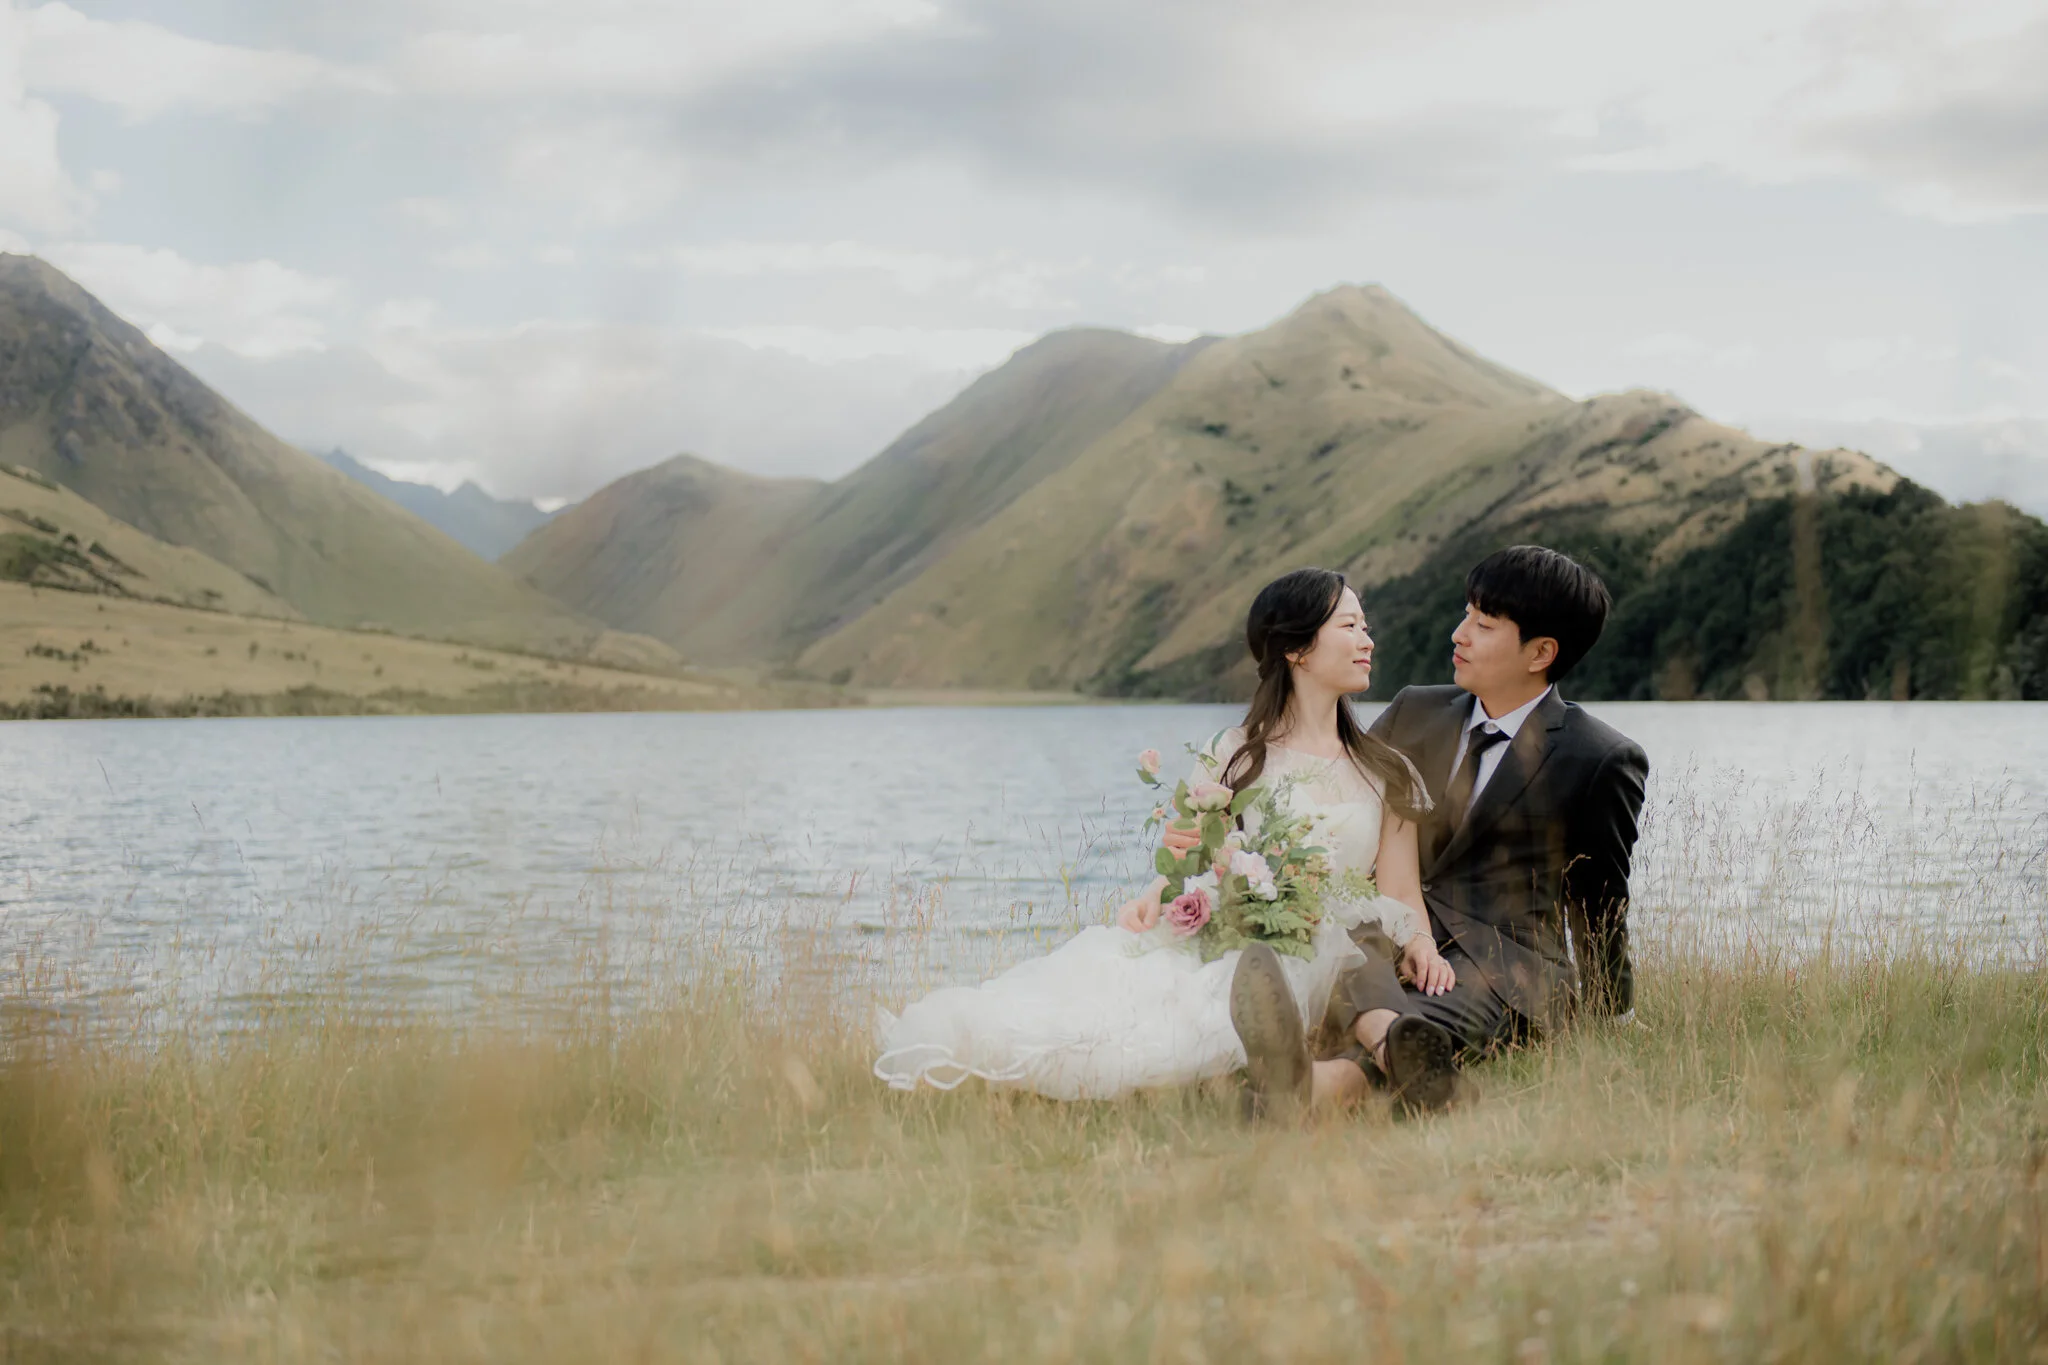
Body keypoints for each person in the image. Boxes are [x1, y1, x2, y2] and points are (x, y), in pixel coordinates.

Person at [873, 568, 1448, 1108]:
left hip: (1341, 938)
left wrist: (1420, 941)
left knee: (1275, 984)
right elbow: (1192, 851)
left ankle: (1307, 1069)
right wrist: (1157, 894)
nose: (1367, 639)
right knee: (1142, 1009)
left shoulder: (1386, 770)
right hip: (1254, 928)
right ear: (1296, 650)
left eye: (1365, 626)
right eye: (1349, 626)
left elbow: (1400, 887)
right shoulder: (1235, 754)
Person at [1283, 544, 1650, 1116]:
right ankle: (1283, 1068)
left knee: (1416, 1025)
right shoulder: (1414, 711)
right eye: (1465, 614)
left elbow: (1602, 900)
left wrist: (1611, 1011)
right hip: (1388, 933)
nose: (1459, 634)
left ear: (1541, 652)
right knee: (1334, 980)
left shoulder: (1599, 756)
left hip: (1502, 968)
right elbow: (1337, 799)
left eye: (1483, 624)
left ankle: (1316, 1088)